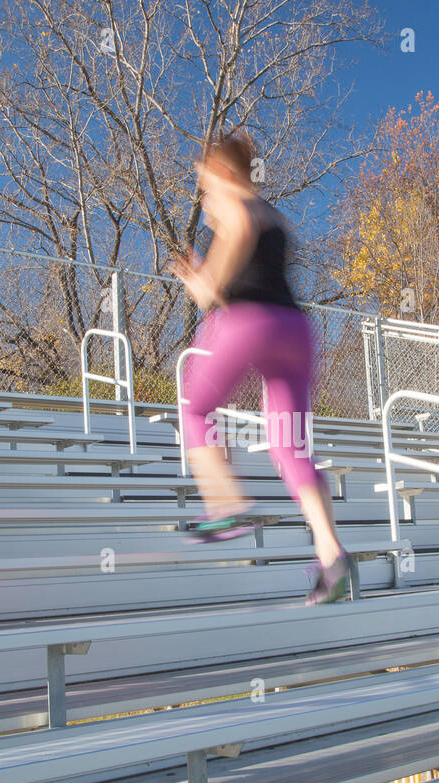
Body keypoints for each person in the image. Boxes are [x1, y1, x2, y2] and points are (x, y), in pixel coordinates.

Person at [171, 130, 350, 605]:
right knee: (291, 449)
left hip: (248, 324)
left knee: (194, 408)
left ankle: (227, 503)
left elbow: (236, 235)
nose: (206, 199)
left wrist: (206, 281)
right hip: (296, 332)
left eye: (205, 186)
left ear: (225, 176)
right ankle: (332, 555)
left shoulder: (237, 204)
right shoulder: (278, 217)